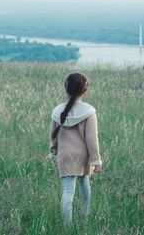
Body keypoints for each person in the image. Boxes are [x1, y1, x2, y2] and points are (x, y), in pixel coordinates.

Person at [48, 72, 102, 226]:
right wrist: (96, 160)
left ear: (66, 88)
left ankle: (67, 226)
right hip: (83, 156)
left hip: (64, 156)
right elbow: (92, 139)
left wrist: (53, 152)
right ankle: (85, 217)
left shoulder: (57, 111)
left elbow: (53, 135)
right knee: (85, 184)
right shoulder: (89, 111)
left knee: (67, 192)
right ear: (85, 90)